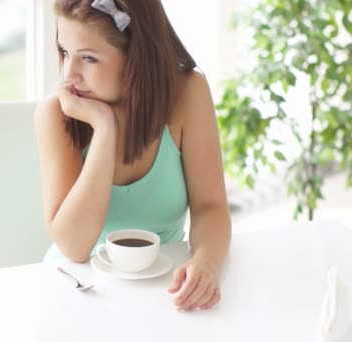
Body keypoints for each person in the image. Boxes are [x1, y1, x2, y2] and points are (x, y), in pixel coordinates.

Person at [34, 0, 231, 312]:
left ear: (136, 57)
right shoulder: (56, 114)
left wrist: (205, 263)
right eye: (64, 52)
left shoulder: (189, 94)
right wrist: (104, 128)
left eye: (88, 58)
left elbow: (211, 207)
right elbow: (74, 247)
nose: (69, 75)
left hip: (164, 288)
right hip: (77, 289)